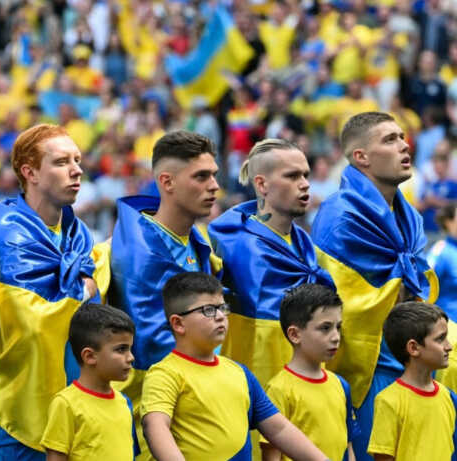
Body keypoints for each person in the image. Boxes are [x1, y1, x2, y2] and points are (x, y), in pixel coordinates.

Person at [311, 112, 440, 461]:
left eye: (402, 137)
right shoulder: (339, 216)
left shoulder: (410, 216)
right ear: (361, 157)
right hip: (368, 375)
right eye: (390, 139)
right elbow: (336, 308)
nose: (404, 145)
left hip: (415, 363)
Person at [0, 124, 110, 460]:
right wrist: (83, 289)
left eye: (78, 160)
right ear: (30, 172)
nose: (77, 169)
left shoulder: (78, 234)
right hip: (25, 422)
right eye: (62, 161)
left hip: (82, 413)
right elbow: (34, 325)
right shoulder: (9, 237)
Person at [140, 272, 327, 460]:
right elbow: (156, 427)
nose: (221, 316)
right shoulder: (165, 374)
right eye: (209, 310)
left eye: (222, 308)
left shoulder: (239, 372)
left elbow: (279, 429)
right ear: (178, 323)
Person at [109, 131, 221, 426]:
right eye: (201, 177)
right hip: (142, 416)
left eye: (214, 175)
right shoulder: (126, 250)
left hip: (195, 406)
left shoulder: (200, 243)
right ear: (166, 182)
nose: (214, 186)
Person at [209, 138, 334, 386]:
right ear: (262, 184)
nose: (305, 184)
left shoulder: (307, 247)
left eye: (306, 175)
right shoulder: (231, 246)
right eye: (292, 176)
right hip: (254, 392)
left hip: (307, 387)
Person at [259, 284, 357, 461]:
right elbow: (271, 454)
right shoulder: (279, 389)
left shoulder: (341, 385)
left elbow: (348, 447)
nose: (336, 337)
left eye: (338, 327)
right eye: (325, 328)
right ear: (295, 335)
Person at [40, 303, 138, 461]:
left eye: (130, 349)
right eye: (121, 349)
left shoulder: (124, 403)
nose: (131, 357)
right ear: (90, 356)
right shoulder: (66, 404)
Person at [368, 302, 457, 460]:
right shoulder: (389, 401)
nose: (449, 346)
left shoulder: (447, 396)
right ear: (414, 348)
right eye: (440, 339)